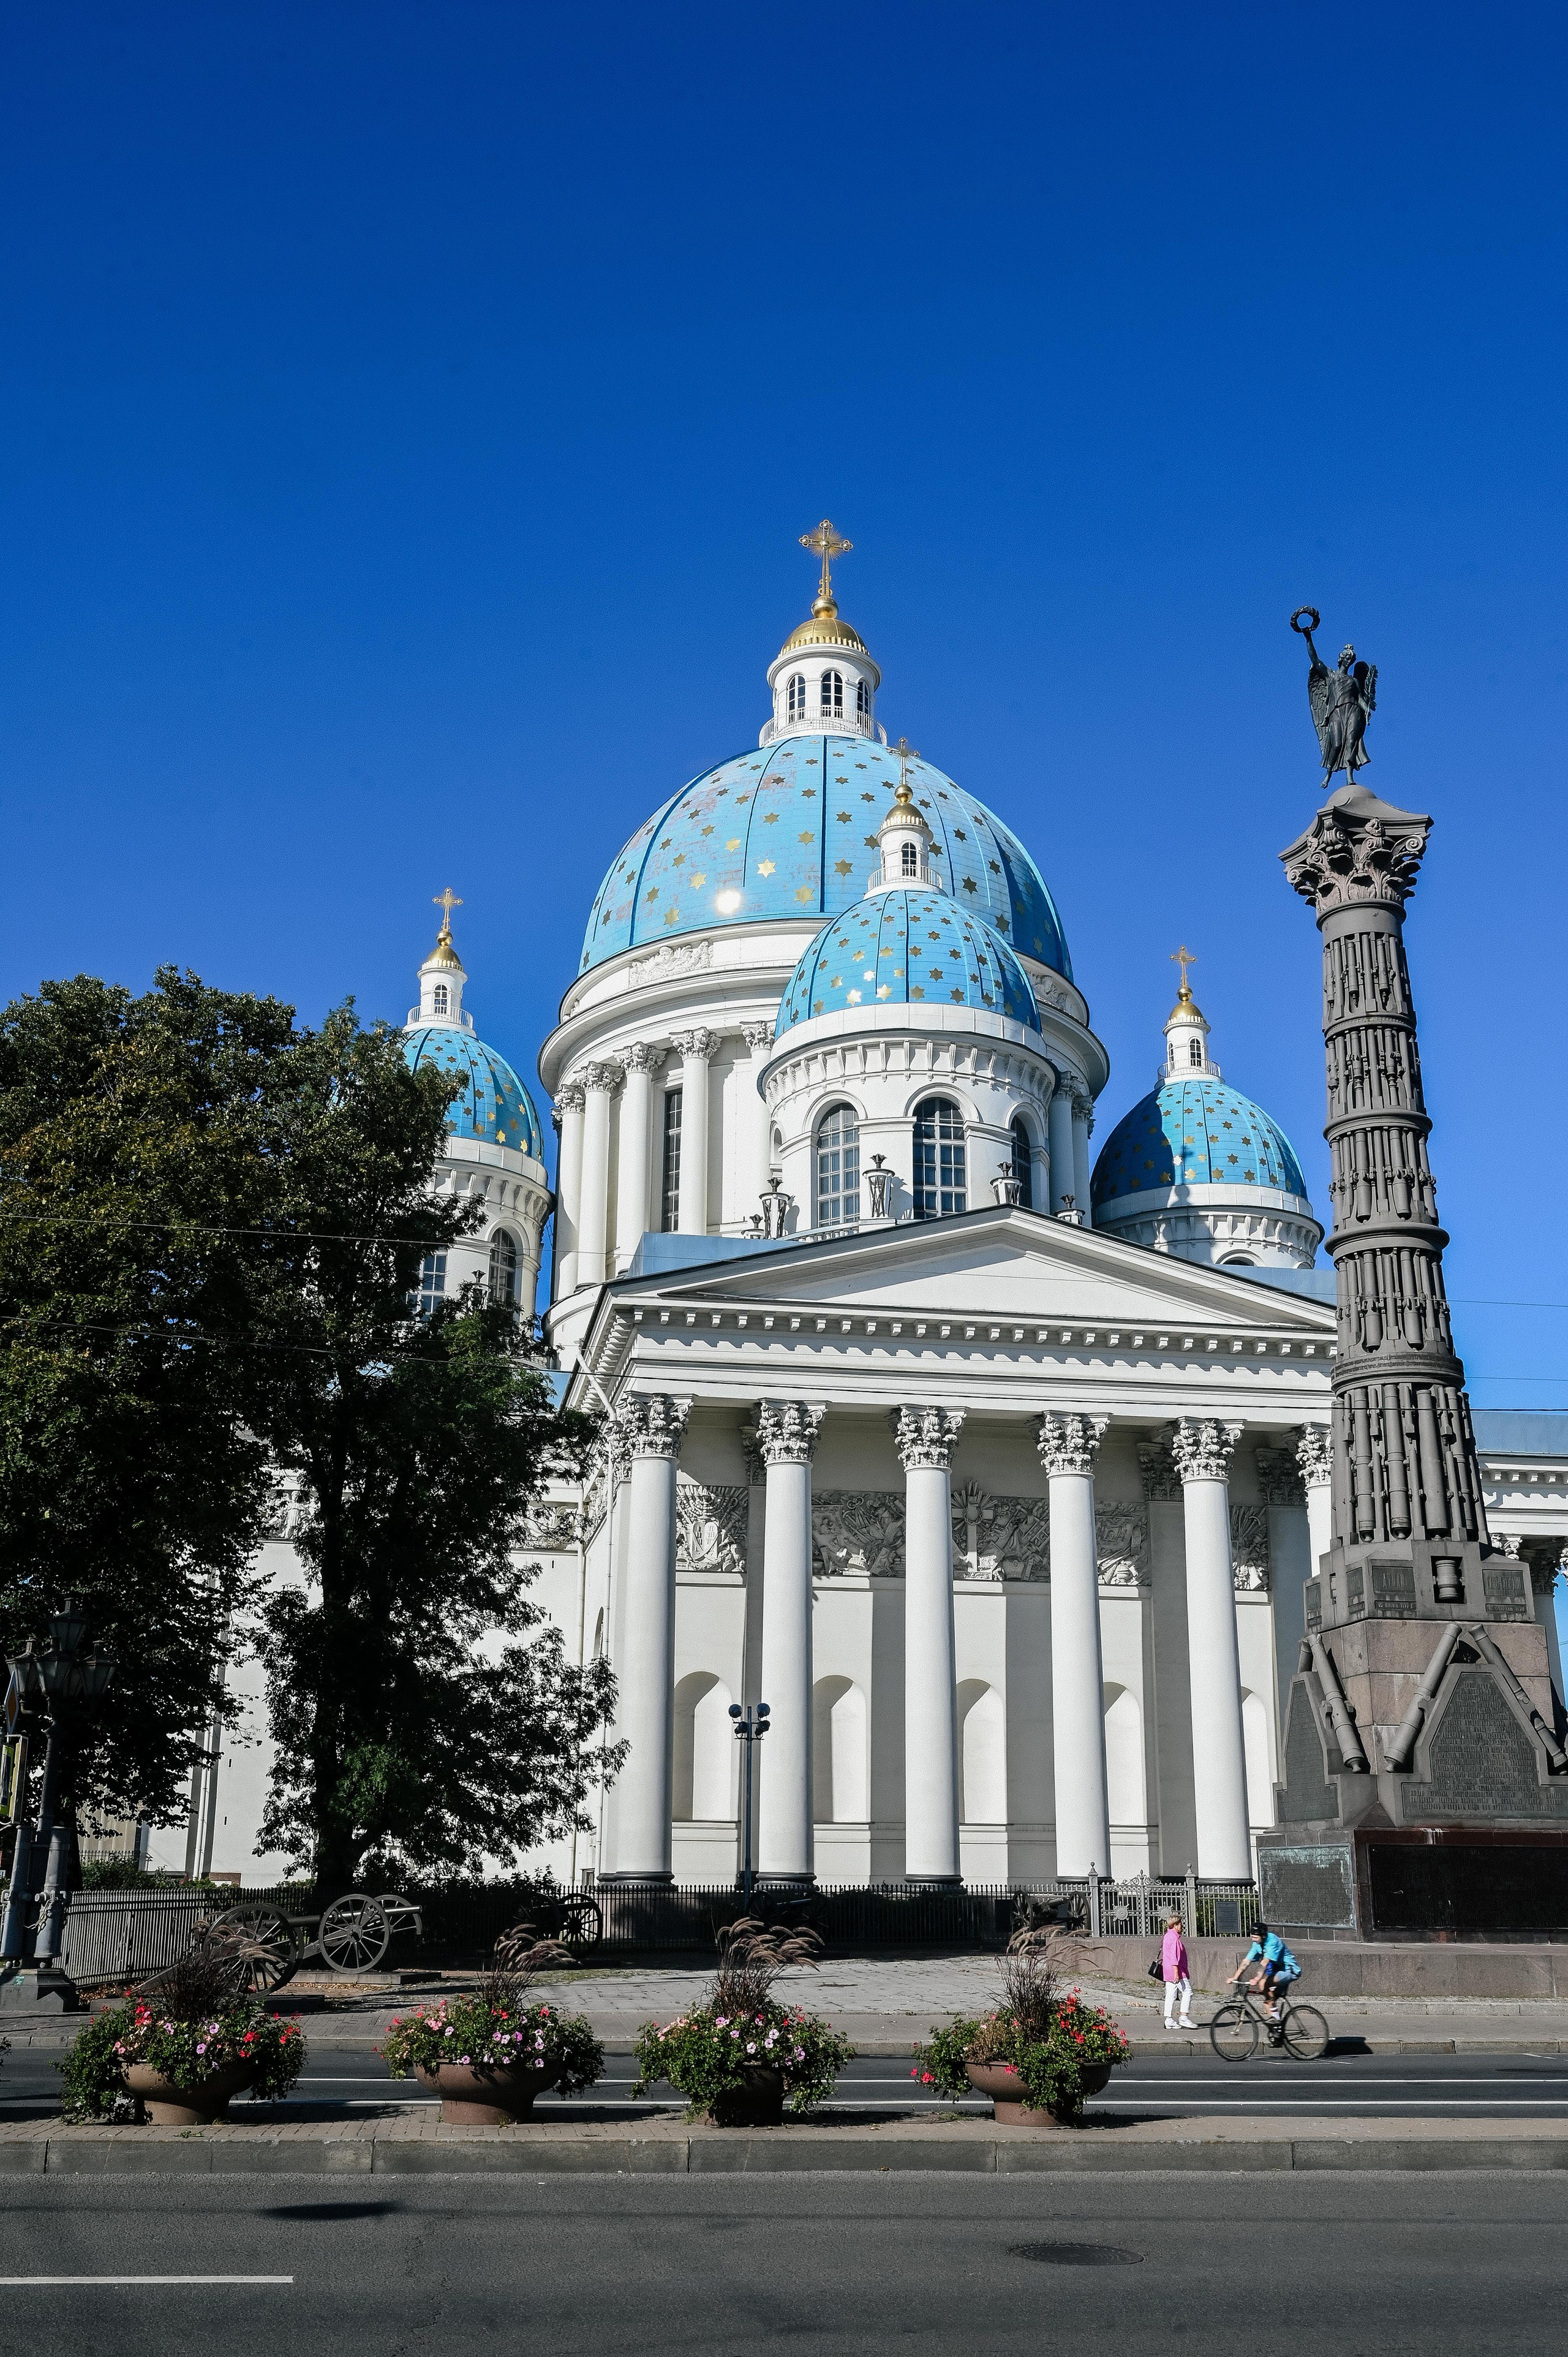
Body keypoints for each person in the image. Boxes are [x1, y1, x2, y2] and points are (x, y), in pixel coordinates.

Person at [1230, 1922, 1302, 2027]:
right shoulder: (1257, 1944)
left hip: (1289, 1970)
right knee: (1266, 1999)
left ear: (1263, 1936)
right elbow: (1246, 1961)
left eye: (1256, 1937)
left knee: (1266, 1983)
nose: (1253, 1939)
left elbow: (1265, 1962)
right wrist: (1234, 1978)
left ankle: (1276, 2020)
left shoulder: (1273, 1941)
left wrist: (1257, 1978)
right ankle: (1277, 2031)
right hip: (1276, 1970)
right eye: (1252, 1937)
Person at [1160, 1910, 1194, 2030]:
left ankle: (1168, 2019)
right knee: (1188, 1991)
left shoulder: (1168, 1935)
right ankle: (1184, 2017)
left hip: (1167, 1969)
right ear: (1176, 1925)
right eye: (1180, 1924)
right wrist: (1176, 1972)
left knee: (1170, 1995)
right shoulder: (1174, 1938)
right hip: (1177, 1970)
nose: (1182, 1926)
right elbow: (1175, 1956)